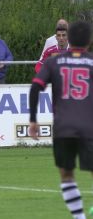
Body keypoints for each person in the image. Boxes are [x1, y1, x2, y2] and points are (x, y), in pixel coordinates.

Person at [29, 21, 93, 219]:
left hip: (63, 127)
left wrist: (33, 120)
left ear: (69, 39)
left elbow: (35, 87)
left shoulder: (53, 62)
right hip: (89, 127)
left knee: (66, 175)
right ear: (89, 41)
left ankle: (79, 217)